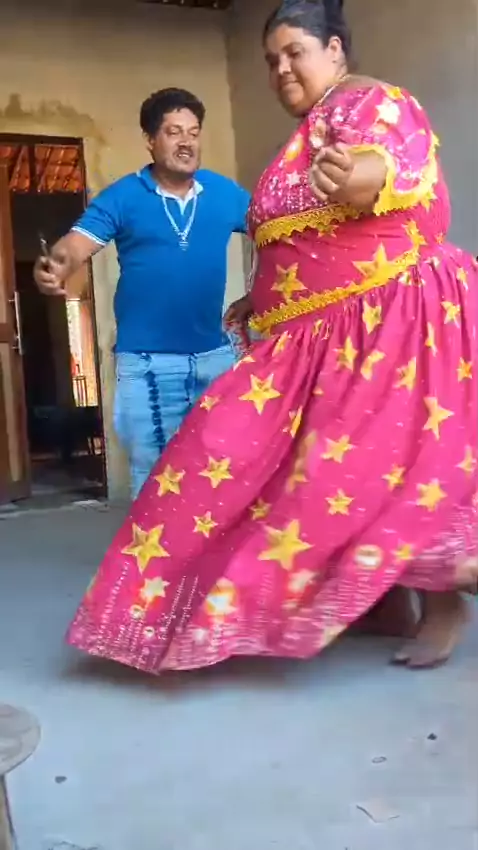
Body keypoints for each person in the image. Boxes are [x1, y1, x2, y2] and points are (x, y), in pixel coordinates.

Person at [67, 0, 477, 673]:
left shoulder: (369, 102)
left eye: (295, 52)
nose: (281, 68)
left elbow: (392, 165)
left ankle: (442, 602)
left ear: (335, 50)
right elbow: (308, 238)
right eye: (271, 59)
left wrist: (361, 175)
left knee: (399, 465)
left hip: (390, 322)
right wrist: (263, 297)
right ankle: (381, 600)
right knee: (314, 471)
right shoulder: (307, 131)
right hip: (319, 338)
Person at [34, 88, 250, 497]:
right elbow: (74, 246)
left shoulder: (224, 193)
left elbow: (278, 236)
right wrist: (54, 267)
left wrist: (257, 296)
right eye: (173, 132)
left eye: (193, 132)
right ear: (151, 140)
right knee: (155, 486)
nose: (186, 142)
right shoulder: (123, 196)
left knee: (223, 480)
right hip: (148, 365)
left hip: (215, 360)